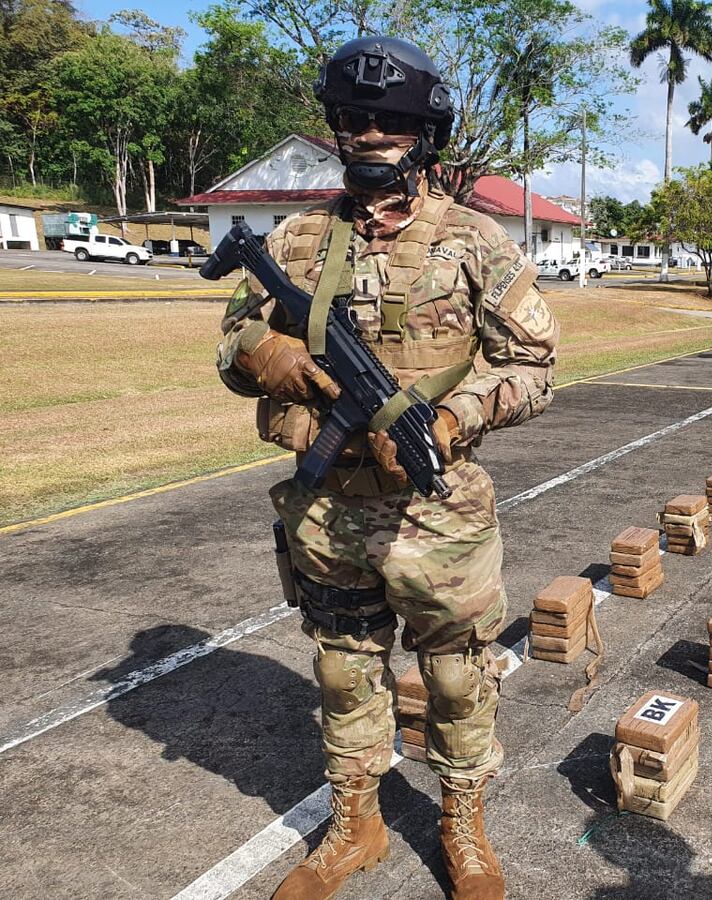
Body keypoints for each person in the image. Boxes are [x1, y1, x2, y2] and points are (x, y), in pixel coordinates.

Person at [215, 36, 558, 900]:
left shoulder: (475, 243)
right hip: (325, 508)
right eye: (355, 120)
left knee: (454, 674)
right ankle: (355, 825)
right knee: (342, 666)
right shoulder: (294, 241)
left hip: (437, 520)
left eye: (392, 122)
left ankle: (463, 825)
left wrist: (452, 416)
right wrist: (268, 356)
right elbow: (229, 343)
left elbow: (533, 366)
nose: (370, 136)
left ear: (425, 134)